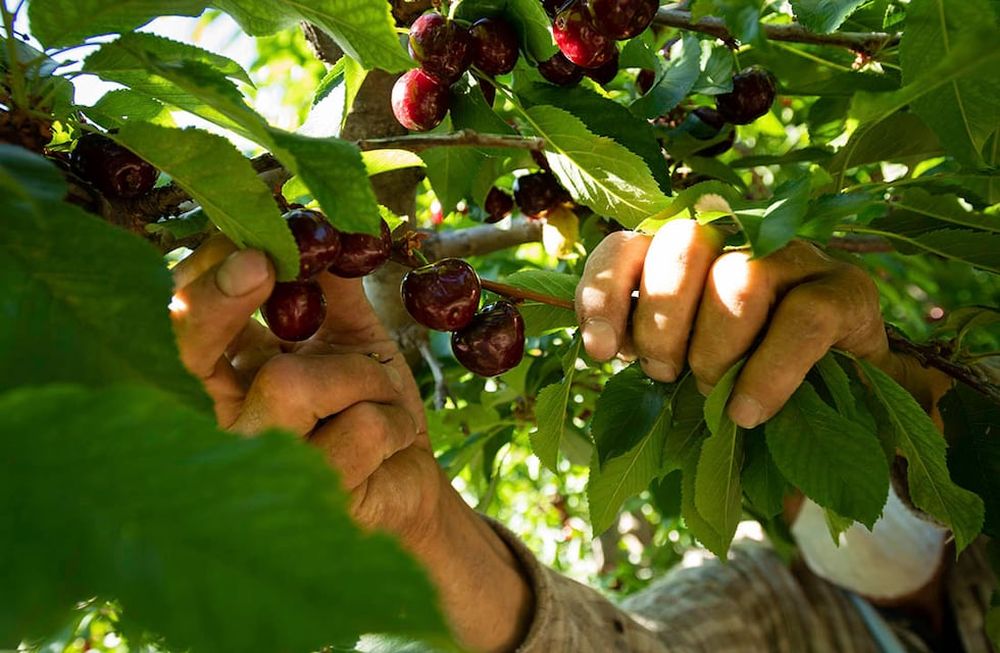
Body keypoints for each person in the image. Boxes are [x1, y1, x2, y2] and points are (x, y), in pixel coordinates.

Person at [169, 220, 995, 652]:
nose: (825, 500)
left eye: (813, 443)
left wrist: (914, 394)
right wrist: (420, 527)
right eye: (788, 470)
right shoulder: (768, 606)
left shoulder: (964, 474)